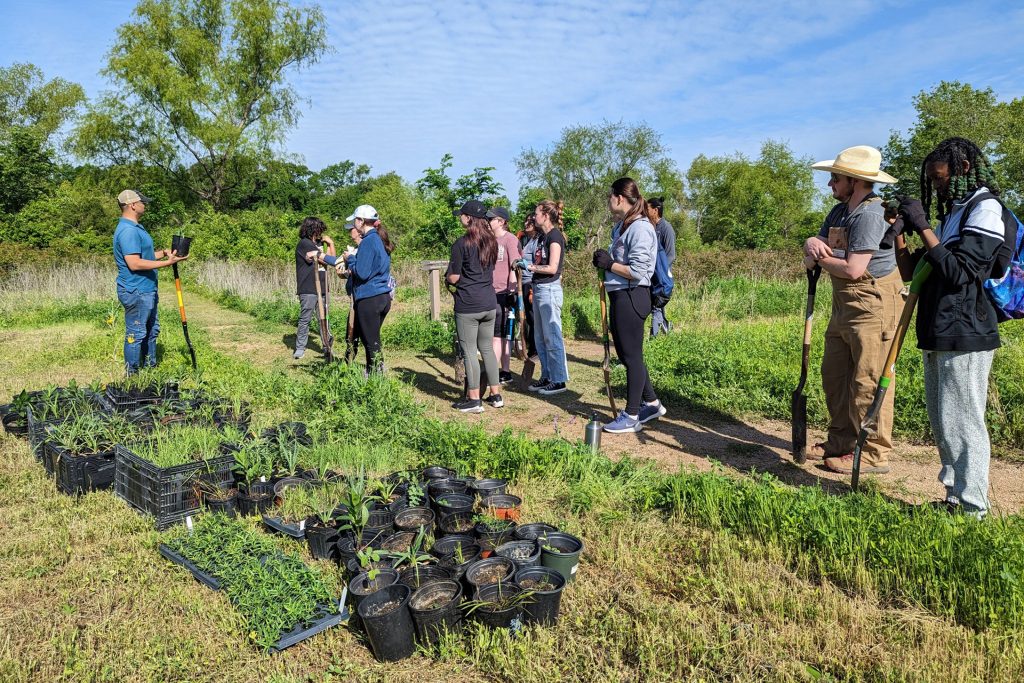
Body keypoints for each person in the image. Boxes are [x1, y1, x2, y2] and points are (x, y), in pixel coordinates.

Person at [894, 137, 1006, 518]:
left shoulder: (986, 209)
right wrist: (900, 234)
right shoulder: (953, 214)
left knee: (964, 420)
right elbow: (916, 273)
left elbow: (960, 273)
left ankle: (973, 508)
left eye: (939, 178)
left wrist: (924, 225)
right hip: (938, 328)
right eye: (932, 181)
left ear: (962, 169)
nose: (936, 186)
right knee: (943, 420)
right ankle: (953, 499)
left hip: (967, 332)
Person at [803, 146, 903, 475]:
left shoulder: (871, 214)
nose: (830, 184)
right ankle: (842, 440)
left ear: (855, 181)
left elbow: (854, 268)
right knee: (835, 374)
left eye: (835, 178)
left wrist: (819, 255)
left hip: (873, 302)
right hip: (843, 302)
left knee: (868, 379)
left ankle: (872, 452)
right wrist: (809, 245)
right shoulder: (840, 211)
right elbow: (813, 251)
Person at [593, 178, 666, 433]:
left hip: (633, 295)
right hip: (620, 295)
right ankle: (652, 403)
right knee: (627, 354)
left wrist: (609, 264)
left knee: (632, 357)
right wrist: (607, 260)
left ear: (620, 198)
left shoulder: (641, 228)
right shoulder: (624, 226)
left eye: (610, 196)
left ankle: (632, 415)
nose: (608, 201)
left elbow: (639, 271)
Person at [112, 189, 187, 374]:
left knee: (152, 330)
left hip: (146, 289)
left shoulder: (137, 227)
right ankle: (133, 377)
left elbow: (143, 256)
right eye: (142, 201)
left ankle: (150, 370)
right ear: (132, 205)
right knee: (136, 333)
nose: (145, 204)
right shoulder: (128, 231)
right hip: (136, 291)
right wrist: (167, 264)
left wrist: (163, 254)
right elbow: (134, 263)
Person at [446, 200, 502, 412]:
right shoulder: (491, 242)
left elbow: (453, 277)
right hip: (489, 302)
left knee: (469, 351)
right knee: (487, 349)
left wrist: (449, 277)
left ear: (468, 218)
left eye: (461, 215)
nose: (459, 217)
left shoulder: (461, 244)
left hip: (468, 304)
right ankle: (496, 395)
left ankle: (474, 399)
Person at [343, 204, 395, 373]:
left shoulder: (368, 241)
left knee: (371, 342)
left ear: (361, 221)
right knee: (373, 340)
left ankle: (374, 379)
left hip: (369, 298)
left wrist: (350, 259)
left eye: (355, 220)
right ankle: (375, 374)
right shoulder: (379, 238)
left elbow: (362, 273)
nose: (354, 224)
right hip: (382, 297)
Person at [526, 200, 569, 395]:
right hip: (539, 288)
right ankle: (547, 376)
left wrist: (529, 267)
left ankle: (559, 380)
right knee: (540, 337)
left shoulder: (555, 237)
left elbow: (552, 267)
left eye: (536, 213)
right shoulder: (542, 237)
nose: (534, 217)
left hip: (550, 290)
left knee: (552, 336)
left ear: (545, 215)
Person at [486, 206, 523, 386]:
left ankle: (504, 371)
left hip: (504, 292)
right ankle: (498, 370)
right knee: (494, 334)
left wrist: (512, 291)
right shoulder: (488, 240)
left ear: (501, 221)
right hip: (488, 291)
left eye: (491, 219)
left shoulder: (510, 240)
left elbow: (514, 266)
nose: (488, 222)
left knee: (502, 334)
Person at [293, 216, 335, 359]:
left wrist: (330, 244)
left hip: (322, 287)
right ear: (312, 229)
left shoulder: (318, 244)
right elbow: (323, 259)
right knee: (306, 318)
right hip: (308, 287)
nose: (321, 233)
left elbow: (330, 261)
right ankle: (300, 348)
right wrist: (326, 254)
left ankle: (326, 347)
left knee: (324, 318)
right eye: (319, 230)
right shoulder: (304, 244)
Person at [646, 197, 676, 336]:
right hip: (651, 276)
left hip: (661, 277)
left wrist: (659, 271)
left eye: (647, 209)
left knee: (656, 306)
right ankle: (665, 329)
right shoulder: (650, 226)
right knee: (656, 307)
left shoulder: (666, 228)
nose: (645, 211)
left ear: (655, 210)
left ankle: (655, 336)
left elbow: (671, 255)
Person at [517, 214, 540, 359]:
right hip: (524, 282)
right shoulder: (527, 240)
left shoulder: (538, 241)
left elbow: (539, 263)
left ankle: (535, 350)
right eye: (525, 220)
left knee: (533, 317)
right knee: (529, 317)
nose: (526, 223)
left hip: (532, 282)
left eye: (530, 221)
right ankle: (532, 347)